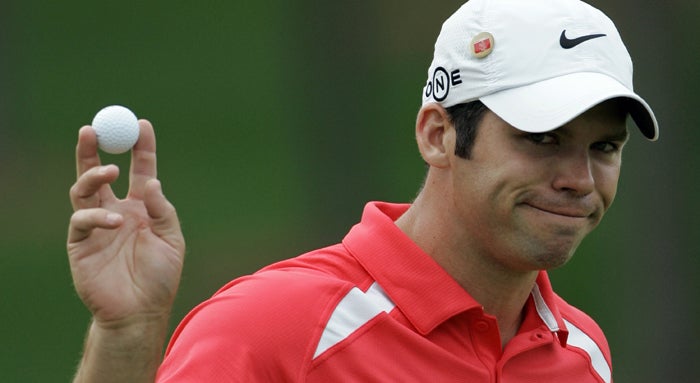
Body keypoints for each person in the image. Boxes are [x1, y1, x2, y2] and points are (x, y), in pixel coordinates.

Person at [67, 0, 658, 382]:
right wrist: (125, 339)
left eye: (604, 148)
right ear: (439, 134)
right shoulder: (274, 328)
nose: (578, 179)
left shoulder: (581, 353)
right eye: (543, 138)